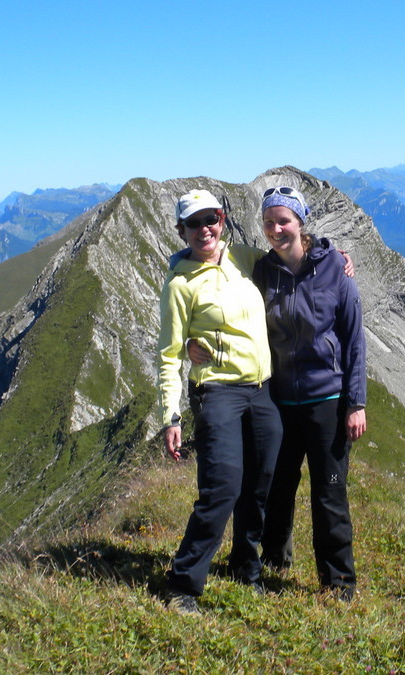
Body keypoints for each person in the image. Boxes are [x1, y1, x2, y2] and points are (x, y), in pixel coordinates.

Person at [156, 189, 282, 614]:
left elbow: (292, 257)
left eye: (210, 218)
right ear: (182, 231)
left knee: (258, 485)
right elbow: (170, 355)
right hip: (217, 392)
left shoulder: (243, 259)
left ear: (223, 219)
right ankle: (182, 584)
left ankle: (246, 567)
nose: (203, 229)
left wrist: (333, 254)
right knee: (222, 487)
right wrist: (171, 415)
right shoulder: (179, 284)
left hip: (262, 391)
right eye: (193, 223)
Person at [251, 185, 369, 599]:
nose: (276, 229)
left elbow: (354, 339)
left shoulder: (335, 267)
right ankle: (274, 560)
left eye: (284, 221)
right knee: (278, 487)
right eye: (269, 222)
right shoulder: (261, 271)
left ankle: (338, 581)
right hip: (281, 401)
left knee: (330, 489)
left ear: (301, 223)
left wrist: (356, 403)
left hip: (327, 403)